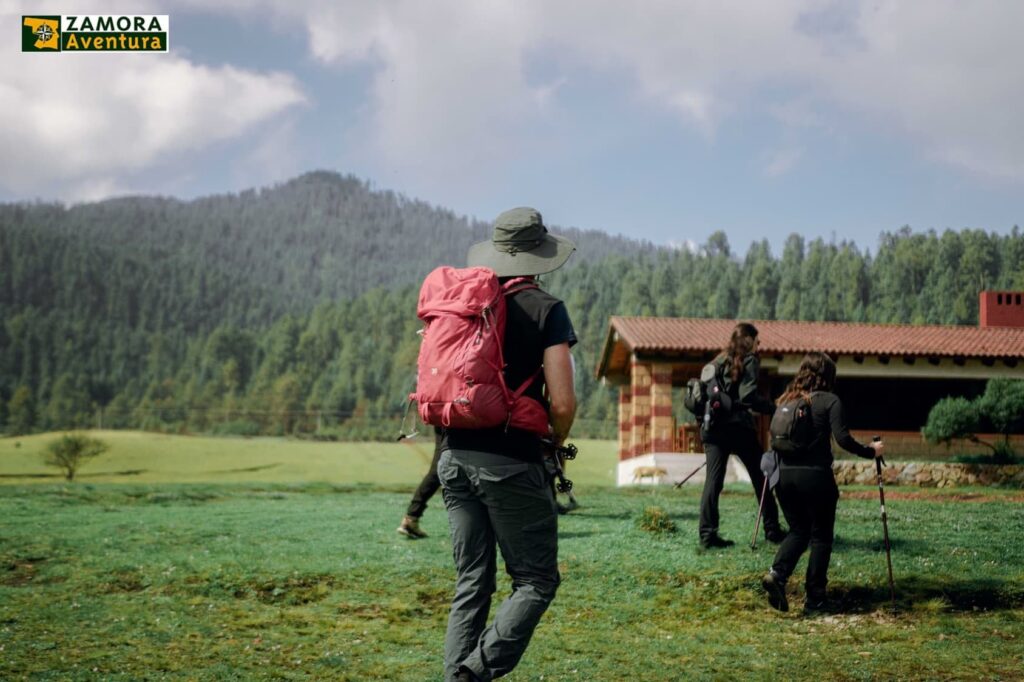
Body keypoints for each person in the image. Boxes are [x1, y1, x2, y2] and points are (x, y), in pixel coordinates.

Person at [438, 207, 577, 682]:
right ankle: (472, 674)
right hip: (510, 460)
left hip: (453, 457)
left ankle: (456, 675)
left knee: (472, 581)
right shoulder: (546, 309)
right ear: (539, 257)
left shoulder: (468, 304)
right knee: (536, 580)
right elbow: (562, 401)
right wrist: (555, 442)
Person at [760, 352, 885, 614]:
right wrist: (871, 451)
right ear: (829, 376)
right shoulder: (830, 401)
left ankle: (777, 574)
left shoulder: (787, 399)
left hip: (783, 477)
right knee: (821, 537)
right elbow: (842, 438)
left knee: (798, 530)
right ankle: (815, 599)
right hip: (815, 478)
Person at [698, 322, 786, 549]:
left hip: (713, 427)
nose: (760, 344)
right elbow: (748, 396)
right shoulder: (750, 360)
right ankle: (772, 530)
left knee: (713, 482)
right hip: (738, 428)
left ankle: (708, 535)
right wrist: (772, 407)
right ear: (749, 340)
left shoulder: (718, 361)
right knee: (761, 477)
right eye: (758, 340)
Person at [397, 426, 443, 539]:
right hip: (451, 418)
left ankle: (411, 518)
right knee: (438, 469)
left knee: (438, 469)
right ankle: (411, 518)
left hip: (448, 418)